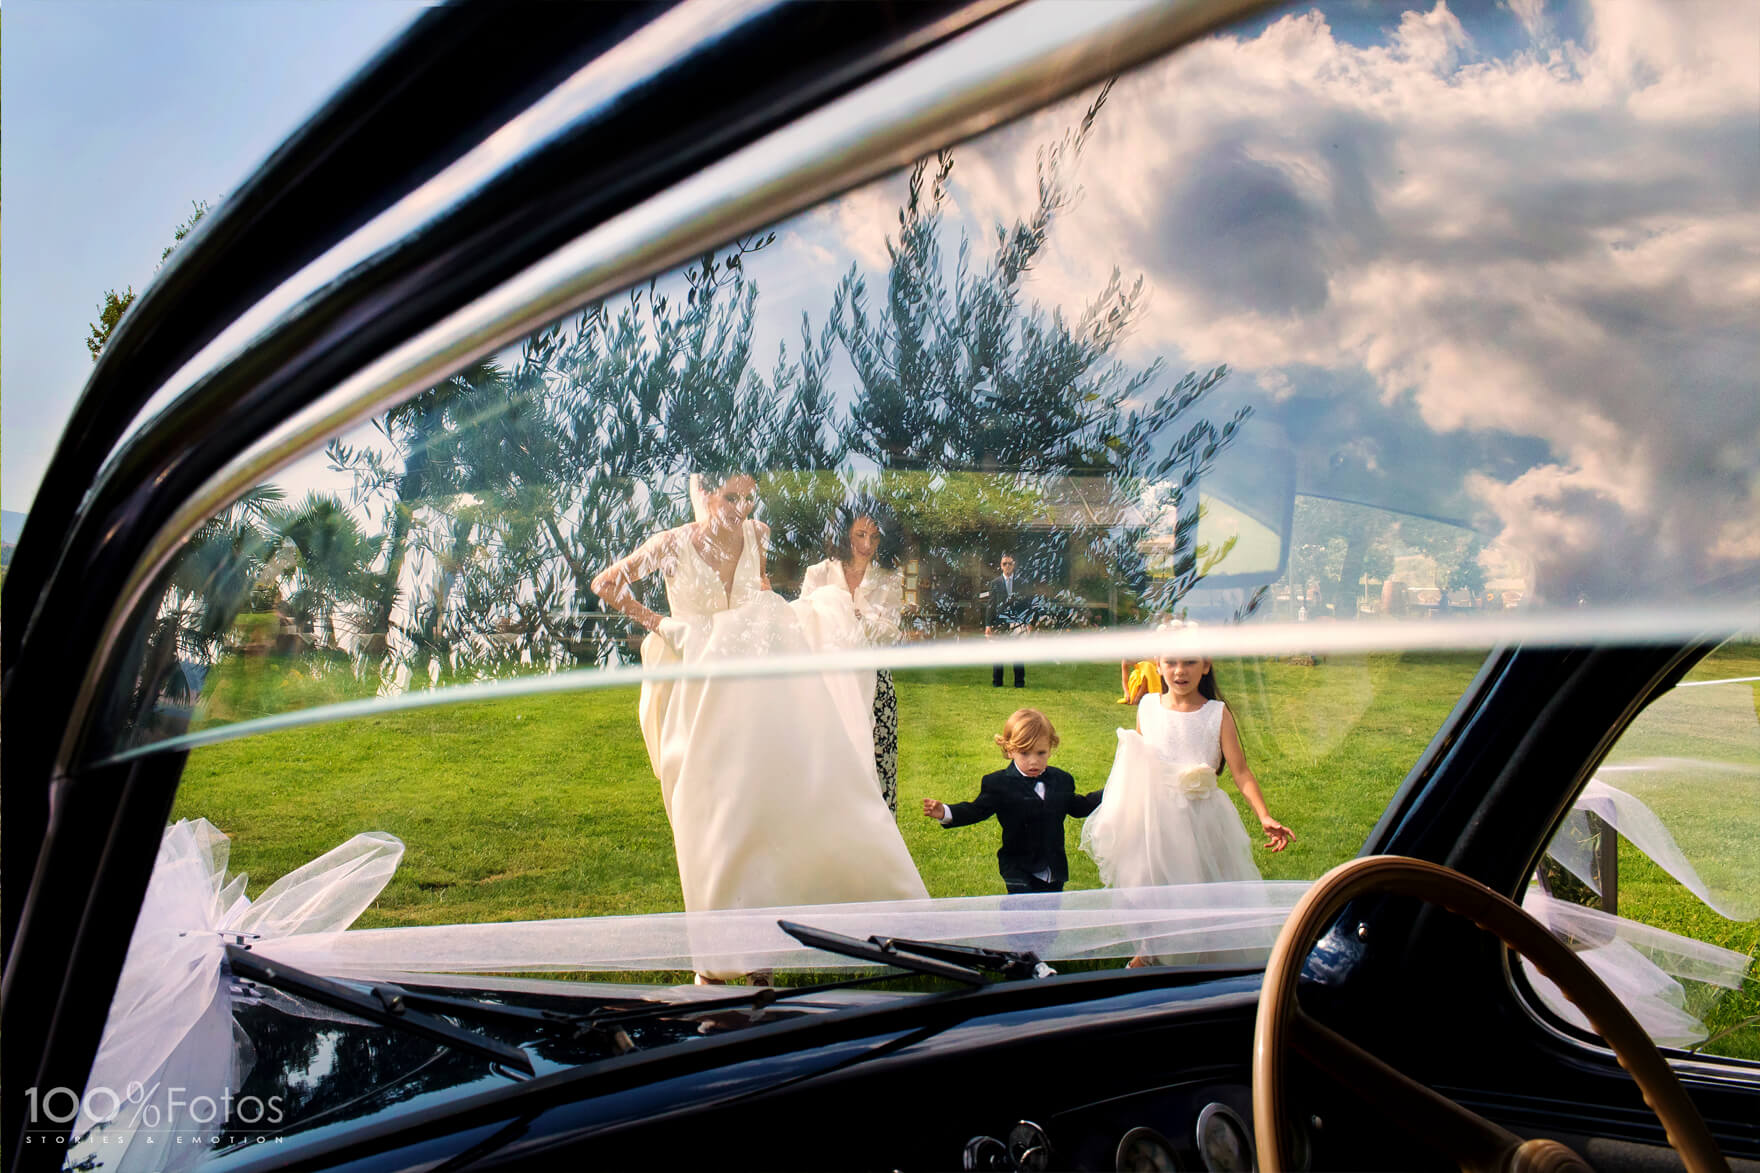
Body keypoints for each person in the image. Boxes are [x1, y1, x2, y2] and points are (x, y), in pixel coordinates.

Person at [591, 472, 928, 977]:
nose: (741, 508)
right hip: (703, 687)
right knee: (713, 813)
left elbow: (763, 591)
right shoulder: (670, 543)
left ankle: (767, 946)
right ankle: (719, 957)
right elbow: (606, 584)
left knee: (773, 803)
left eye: (749, 498)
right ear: (702, 494)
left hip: (761, 688)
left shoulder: (758, 534)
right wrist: (660, 623)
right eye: (731, 497)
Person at [1080, 647, 1294, 924]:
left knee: (1201, 886)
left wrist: (1264, 815)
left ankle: (1201, 948)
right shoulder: (1147, 707)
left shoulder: (1217, 713)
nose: (1180, 670)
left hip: (1202, 817)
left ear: (1205, 666)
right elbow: (1138, 763)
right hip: (1154, 817)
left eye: (1190, 662)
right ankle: (1152, 950)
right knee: (1149, 884)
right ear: (1158, 665)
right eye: (1171, 662)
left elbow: (1241, 772)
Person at [921, 709, 1102, 894]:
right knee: (1019, 914)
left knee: (1048, 917)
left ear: (1051, 747)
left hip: (1053, 868)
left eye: (1041, 753)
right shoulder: (999, 784)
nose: (1033, 762)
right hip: (1018, 867)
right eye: (1024, 753)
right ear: (1009, 750)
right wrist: (945, 812)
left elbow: (1079, 806)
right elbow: (976, 810)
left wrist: (1113, 791)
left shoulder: (1062, 780)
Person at [801, 510, 905, 812]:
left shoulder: (888, 580)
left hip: (874, 681)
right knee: (826, 761)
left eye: (874, 537)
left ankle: (878, 843)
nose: (867, 544)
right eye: (860, 534)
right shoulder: (818, 573)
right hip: (826, 679)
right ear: (845, 534)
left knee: (875, 765)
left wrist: (854, 617)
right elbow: (804, 624)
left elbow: (890, 634)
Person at [983, 553, 1029, 688]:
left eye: (1010, 563)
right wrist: (988, 624)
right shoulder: (995, 583)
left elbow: (1026, 604)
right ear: (1001, 566)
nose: (1007, 566)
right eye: (1004, 564)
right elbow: (990, 605)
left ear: (1013, 565)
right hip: (1000, 622)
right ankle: (997, 682)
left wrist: (1028, 622)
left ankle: (1019, 683)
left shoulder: (1021, 582)